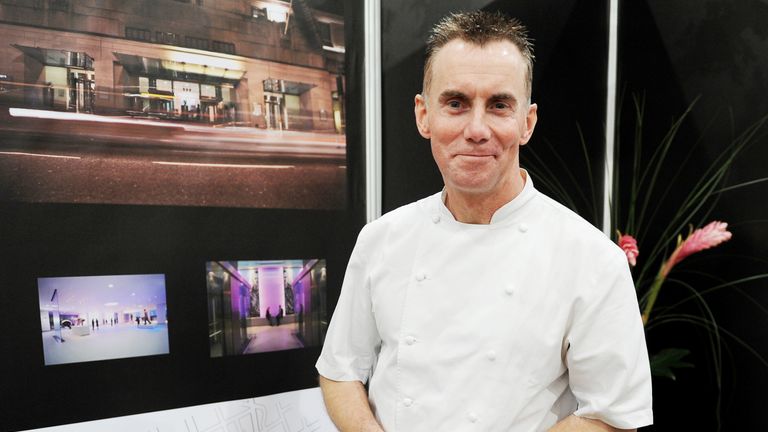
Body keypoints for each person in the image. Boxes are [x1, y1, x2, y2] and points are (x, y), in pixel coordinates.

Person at [316, 10, 653, 432]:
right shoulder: (381, 239)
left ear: (526, 123)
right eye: (455, 103)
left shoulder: (592, 259)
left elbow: (613, 416)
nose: (476, 129)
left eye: (498, 105)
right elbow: (339, 370)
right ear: (424, 115)